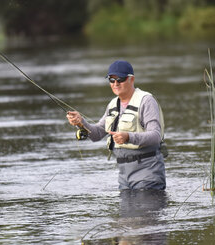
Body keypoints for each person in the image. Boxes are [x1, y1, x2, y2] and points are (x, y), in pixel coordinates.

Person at [67, 60, 167, 190]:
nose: (116, 83)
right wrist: (81, 122)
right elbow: (97, 134)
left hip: (148, 174)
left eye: (120, 79)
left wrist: (128, 136)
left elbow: (155, 135)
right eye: (111, 79)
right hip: (124, 178)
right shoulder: (113, 104)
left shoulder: (146, 101)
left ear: (132, 79)